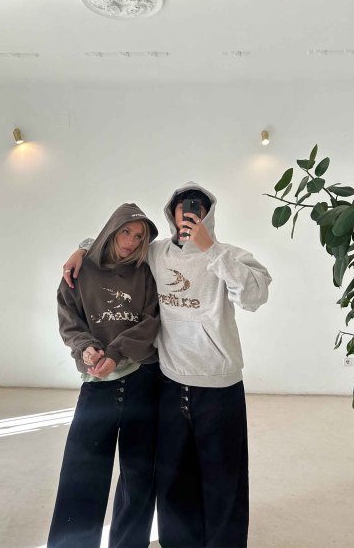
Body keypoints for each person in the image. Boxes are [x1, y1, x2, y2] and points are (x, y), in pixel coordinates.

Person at [63, 183, 272, 548]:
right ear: (172, 213)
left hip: (218, 385)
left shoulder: (229, 254)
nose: (191, 213)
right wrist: (81, 249)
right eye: (184, 207)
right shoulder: (156, 253)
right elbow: (118, 242)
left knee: (224, 480)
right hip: (170, 382)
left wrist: (210, 248)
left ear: (209, 214)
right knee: (174, 481)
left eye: (199, 208)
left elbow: (255, 296)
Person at [48, 203, 160, 548]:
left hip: (143, 379)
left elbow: (151, 321)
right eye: (126, 231)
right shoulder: (80, 271)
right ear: (112, 230)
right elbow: (69, 318)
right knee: (82, 473)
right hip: (98, 384)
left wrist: (116, 354)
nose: (131, 241)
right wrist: (86, 348)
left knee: (140, 476)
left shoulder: (145, 272)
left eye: (138, 236)